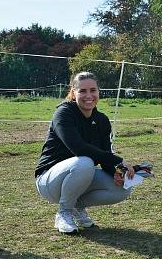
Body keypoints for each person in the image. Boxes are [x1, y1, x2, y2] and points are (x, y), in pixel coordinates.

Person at [35, 72, 138, 234]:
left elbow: (105, 157)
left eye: (93, 90)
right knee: (84, 162)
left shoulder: (102, 120)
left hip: (80, 175)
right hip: (49, 181)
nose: (88, 95)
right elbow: (78, 148)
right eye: (82, 91)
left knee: (123, 189)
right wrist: (119, 160)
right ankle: (64, 213)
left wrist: (117, 171)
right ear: (73, 92)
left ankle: (77, 207)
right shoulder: (63, 113)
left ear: (99, 92)